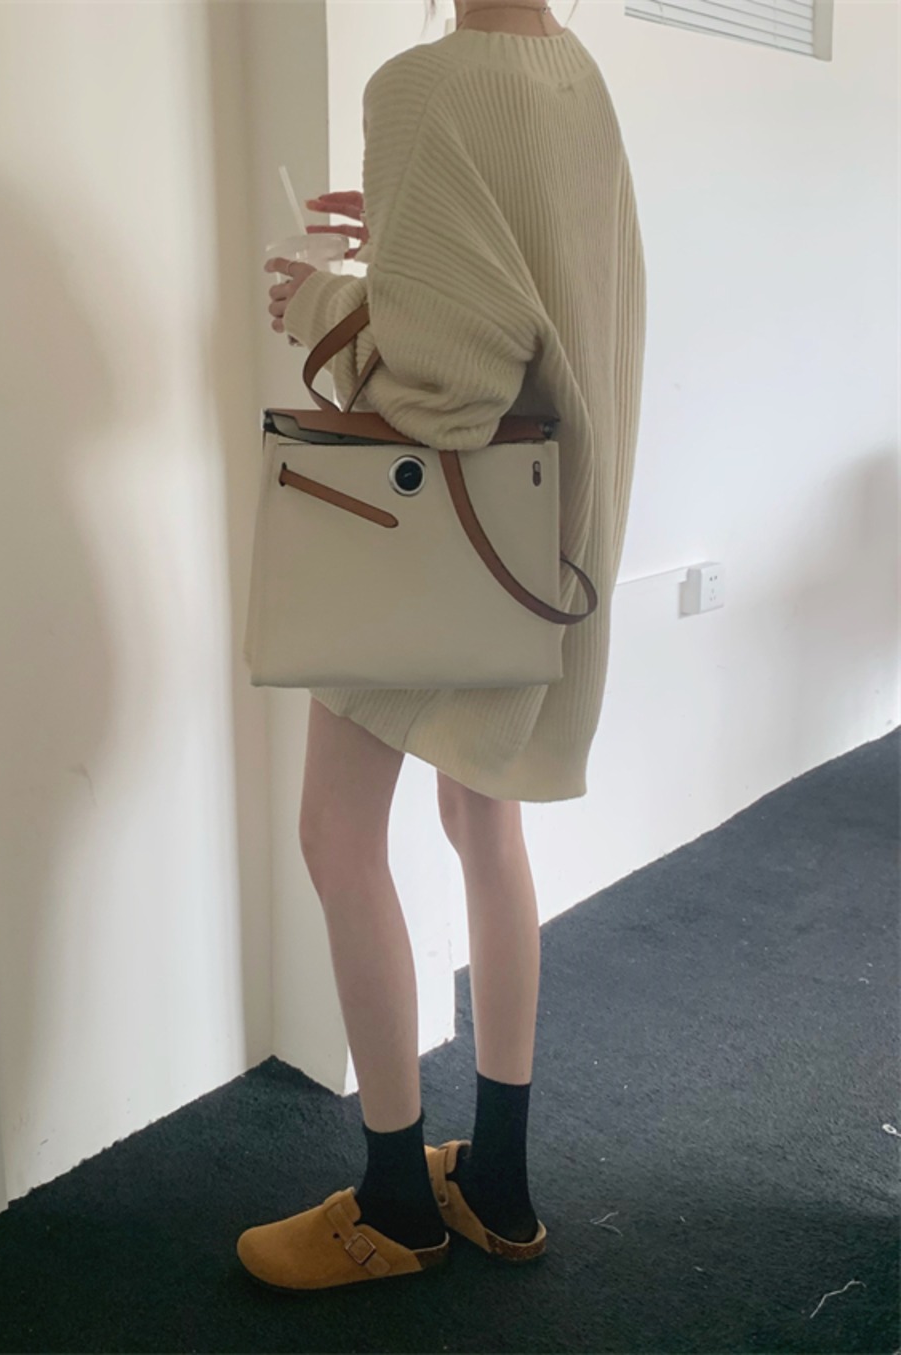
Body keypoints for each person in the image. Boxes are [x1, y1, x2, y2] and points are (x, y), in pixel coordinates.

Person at [239, 0, 647, 1291]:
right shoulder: (573, 74)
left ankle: (394, 1207)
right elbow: (533, 293)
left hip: (433, 544)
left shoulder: (422, 86)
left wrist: (323, 304)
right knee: (485, 825)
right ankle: (501, 1186)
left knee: (337, 836)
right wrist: (407, 248)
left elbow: (448, 389)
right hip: (540, 544)